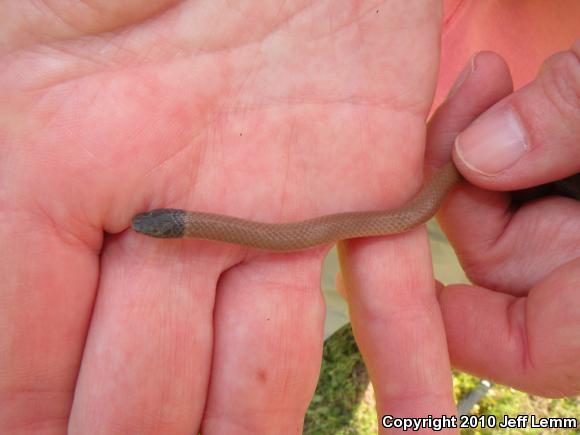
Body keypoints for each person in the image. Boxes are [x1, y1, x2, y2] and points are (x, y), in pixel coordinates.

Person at [0, 1, 578, 433]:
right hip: (382, 132)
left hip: (506, 129)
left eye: (160, 226)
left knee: (401, 264)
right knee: (312, 286)